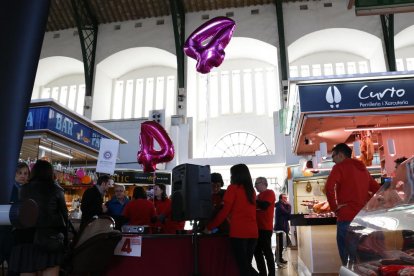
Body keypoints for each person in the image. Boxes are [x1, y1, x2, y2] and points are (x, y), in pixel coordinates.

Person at [9, 160, 68, 276]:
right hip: (50, 239)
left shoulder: (23, 189)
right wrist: (65, 240)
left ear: (33, 172)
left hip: (26, 238)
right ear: (50, 173)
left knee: (27, 269)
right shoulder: (57, 190)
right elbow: (64, 216)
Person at [325, 143, 380, 265]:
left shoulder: (339, 167)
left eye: (333, 156)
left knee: (348, 260)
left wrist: (334, 207)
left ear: (340, 155)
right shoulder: (362, 169)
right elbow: (377, 189)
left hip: (346, 218)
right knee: (361, 257)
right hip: (362, 218)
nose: (333, 160)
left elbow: (328, 188)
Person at [205, 164, 258, 276]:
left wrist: (210, 227)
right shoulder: (251, 191)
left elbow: (224, 212)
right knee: (246, 266)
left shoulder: (233, 188)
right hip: (253, 233)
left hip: (239, 233)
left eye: (231, 174)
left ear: (236, 175)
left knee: (243, 268)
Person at [0, 162, 30, 271]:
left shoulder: (26, 190)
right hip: (5, 232)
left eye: (26, 173)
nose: (23, 176)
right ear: (14, 174)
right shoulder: (8, 188)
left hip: (16, 234)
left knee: (14, 265)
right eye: (19, 173)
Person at [254, 177, 276, 276]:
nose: (255, 186)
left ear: (263, 183)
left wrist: (254, 200)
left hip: (265, 228)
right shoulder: (257, 196)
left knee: (267, 252)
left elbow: (264, 205)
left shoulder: (269, 193)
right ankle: (262, 273)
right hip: (256, 228)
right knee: (257, 252)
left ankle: (272, 273)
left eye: (256, 183)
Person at [274, 193, 291, 264]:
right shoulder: (280, 206)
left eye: (286, 198)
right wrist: (289, 205)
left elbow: (287, 216)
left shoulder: (282, 205)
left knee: (281, 244)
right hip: (280, 228)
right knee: (280, 244)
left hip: (282, 227)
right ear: (280, 199)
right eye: (284, 198)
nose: (286, 199)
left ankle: (278, 258)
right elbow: (287, 213)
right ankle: (278, 259)